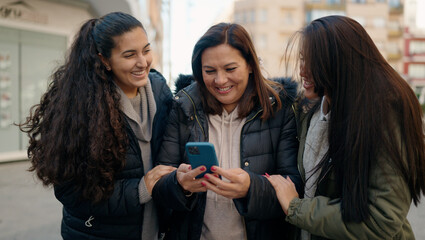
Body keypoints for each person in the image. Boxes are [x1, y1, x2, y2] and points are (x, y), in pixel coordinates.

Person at [18, 12, 175, 240]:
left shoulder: (161, 91)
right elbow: (72, 192)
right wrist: (141, 188)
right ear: (104, 60)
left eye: (146, 50)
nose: (143, 62)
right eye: (130, 55)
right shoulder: (81, 106)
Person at [266, 15, 425, 239]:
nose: (302, 71)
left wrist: (296, 207)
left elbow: (382, 219)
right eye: (302, 59)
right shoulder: (311, 110)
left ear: (339, 62)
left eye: (313, 62)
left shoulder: (384, 114)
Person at [151, 22, 302, 240]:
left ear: (250, 65)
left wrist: (252, 188)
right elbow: (159, 187)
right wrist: (179, 184)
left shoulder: (279, 108)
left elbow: (294, 187)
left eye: (230, 69)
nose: (220, 81)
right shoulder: (183, 108)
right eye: (209, 71)